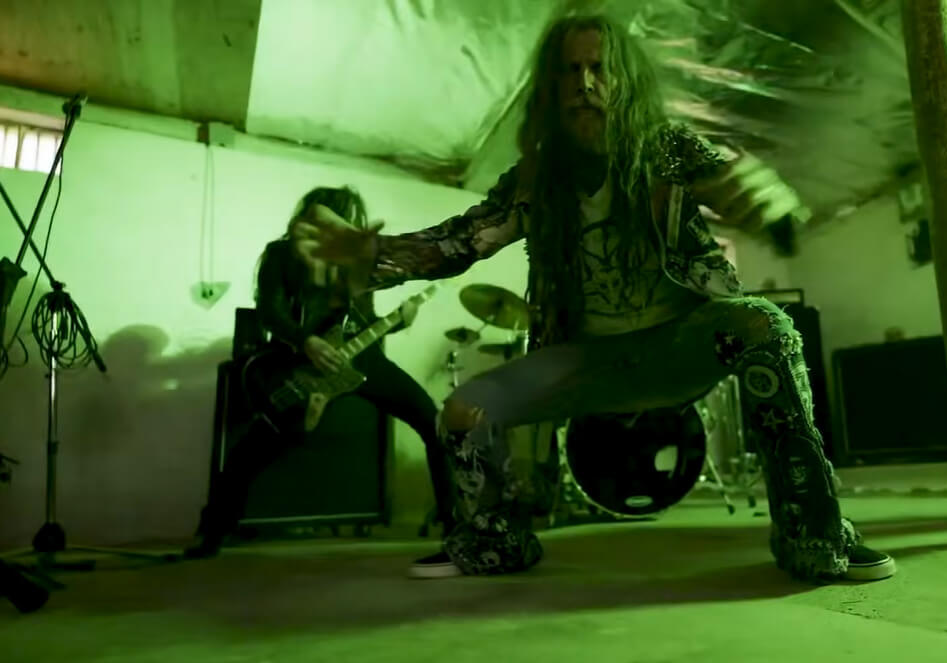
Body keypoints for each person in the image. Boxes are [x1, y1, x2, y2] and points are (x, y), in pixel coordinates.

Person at [292, 14, 895, 583]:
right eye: (571, 70)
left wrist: (772, 205)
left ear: (624, 81)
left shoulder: (668, 149)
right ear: (551, 89)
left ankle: (813, 535)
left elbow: (739, 190)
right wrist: (373, 253)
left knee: (768, 325)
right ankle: (494, 539)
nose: (585, 84)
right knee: (462, 412)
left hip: (680, 344)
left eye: (600, 69)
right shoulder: (534, 178)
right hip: (585, 360)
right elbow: (460, 242)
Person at [185, 187, 456, 564]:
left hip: (362, 358)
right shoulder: (282, 254)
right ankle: (213, 531)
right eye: (344, 217)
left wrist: (398, 322)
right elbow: (270, 312)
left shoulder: (359, 260)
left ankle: (457, 529)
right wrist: (305, 341)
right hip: (306, 362)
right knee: (255, 446)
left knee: (435, 423)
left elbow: (361, 323)